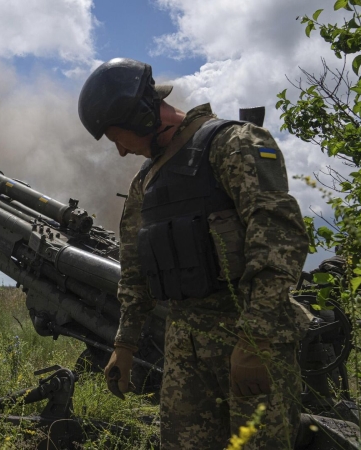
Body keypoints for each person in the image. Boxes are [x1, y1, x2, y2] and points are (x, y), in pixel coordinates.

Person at [78, 58, 310, 449]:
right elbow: (134, 270)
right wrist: (125, 345)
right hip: (185, 344)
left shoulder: (234, 144)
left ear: (143, 116)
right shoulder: (145, 183)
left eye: (120, 138)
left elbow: (277, 238)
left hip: (249, 338)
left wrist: (257, 339)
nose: (120, 152)